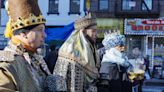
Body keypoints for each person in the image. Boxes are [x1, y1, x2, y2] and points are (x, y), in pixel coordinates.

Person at [0, 0, 55, 91]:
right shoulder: (7, 65)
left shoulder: (36, 59)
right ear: (24, 34)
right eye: (40, 30)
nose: (44, 35)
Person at [53, 13, 100, 92]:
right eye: (93, 31)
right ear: (83, 32)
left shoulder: (91, 48)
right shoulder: (70, 51)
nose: (96, 35)